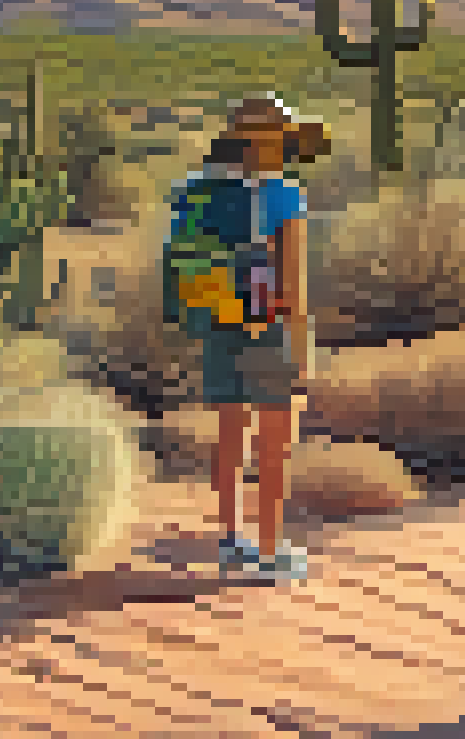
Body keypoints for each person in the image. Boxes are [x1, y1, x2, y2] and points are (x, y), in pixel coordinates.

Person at [163, 95, 329, 583]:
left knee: (230, 436)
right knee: (275, 443)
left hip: (219, 323)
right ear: (281, 141)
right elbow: (293, 287)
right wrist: (301, 350)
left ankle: (231, 543)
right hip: (268, 327)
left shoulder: (203, 192)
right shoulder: (284, 195)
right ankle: (271, 551)